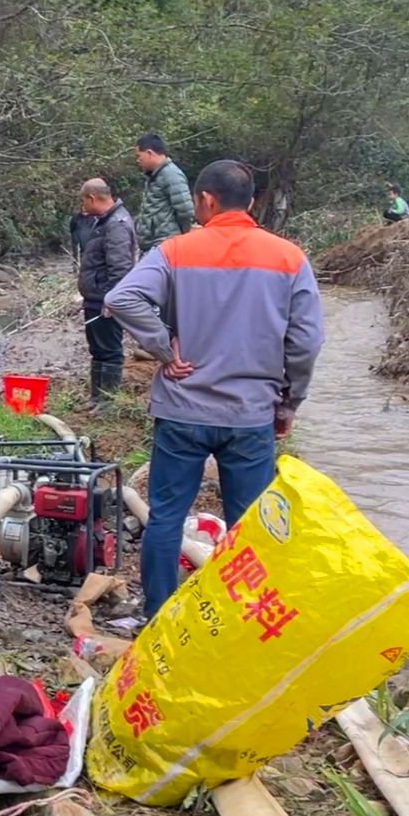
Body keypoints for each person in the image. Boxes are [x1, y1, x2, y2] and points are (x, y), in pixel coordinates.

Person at [104, 160, 324, 619]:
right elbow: (306, 341)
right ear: (252, 201)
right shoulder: (289, 258)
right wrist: (289, 401)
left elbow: (121, 298)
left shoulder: (177, 250)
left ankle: (158, 615)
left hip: (183, 409)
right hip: (251, 415)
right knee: (252, 528)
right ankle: (242, 618)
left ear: (206, 199)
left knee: (165, 518)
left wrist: (164, 347)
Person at [73, 178, 136, 406]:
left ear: (92, 198)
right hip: (94, 298)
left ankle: (108, 401)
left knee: (110, 350)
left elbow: (120, 268)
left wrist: (112, 300)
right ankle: (96, 397)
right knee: (97, 349)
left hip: (105, 300)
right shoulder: (103, 222)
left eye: (83, 201)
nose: (83, 207)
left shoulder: (117, 224)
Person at [134, 134, 195, 254]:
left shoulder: (172, 174)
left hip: (165, 246)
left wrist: (182, 236)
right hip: (153, 246)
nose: (138, 161)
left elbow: (185, 210)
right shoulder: (154, 176)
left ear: (149, 153)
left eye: (139, 156)